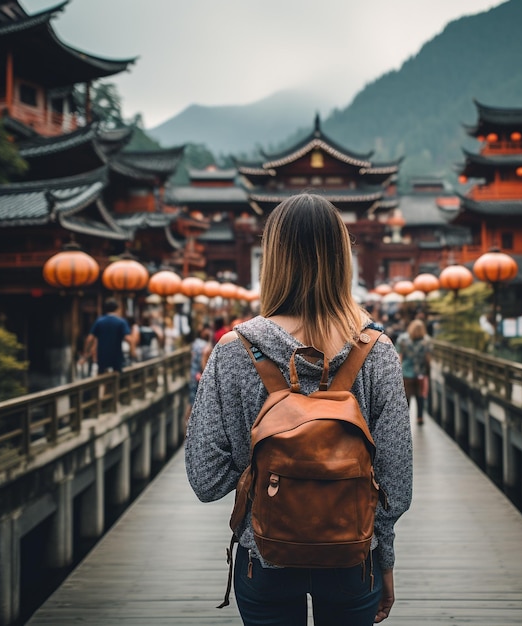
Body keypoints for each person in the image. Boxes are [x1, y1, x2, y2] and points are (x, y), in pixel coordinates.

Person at [185, 193, 412, 625]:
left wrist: (267, 473)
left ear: (273, 258)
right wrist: (385, 559)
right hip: (353, 556)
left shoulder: (234, 350)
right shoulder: (377, 350)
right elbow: (395, 482)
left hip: (263, 556)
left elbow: (206, 480)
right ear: (341, 258)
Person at [80, 298, 136, 374]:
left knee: (103, 379)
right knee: (117, 380)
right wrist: (132, 353)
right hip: (116, 358)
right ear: (117, 309)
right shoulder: (121, 322)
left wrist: (85, 355)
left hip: (102, 358)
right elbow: (129, 339)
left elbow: (90, 339)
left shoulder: (99, 321)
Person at [395, 319, 431, 425]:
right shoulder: (426, 341)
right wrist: (427, 372)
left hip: (406, 373)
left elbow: (399, 356)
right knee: (420, 395)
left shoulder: (403, 339)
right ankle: (420, 417)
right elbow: (427, 358)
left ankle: (405, 419)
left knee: (406, 396)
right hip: (421, 372)